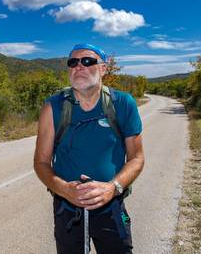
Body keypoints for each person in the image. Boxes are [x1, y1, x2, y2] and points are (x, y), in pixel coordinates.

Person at [34, 43, 145, 254]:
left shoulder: (123, 104)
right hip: (67, 208)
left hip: (112, 206)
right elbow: (41, 163)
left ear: (103, 68)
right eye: (72, 62)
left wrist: (112, 188)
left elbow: (137, 158)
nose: (79, 66)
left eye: (87, 61)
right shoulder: (53, 107)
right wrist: (64, 189)